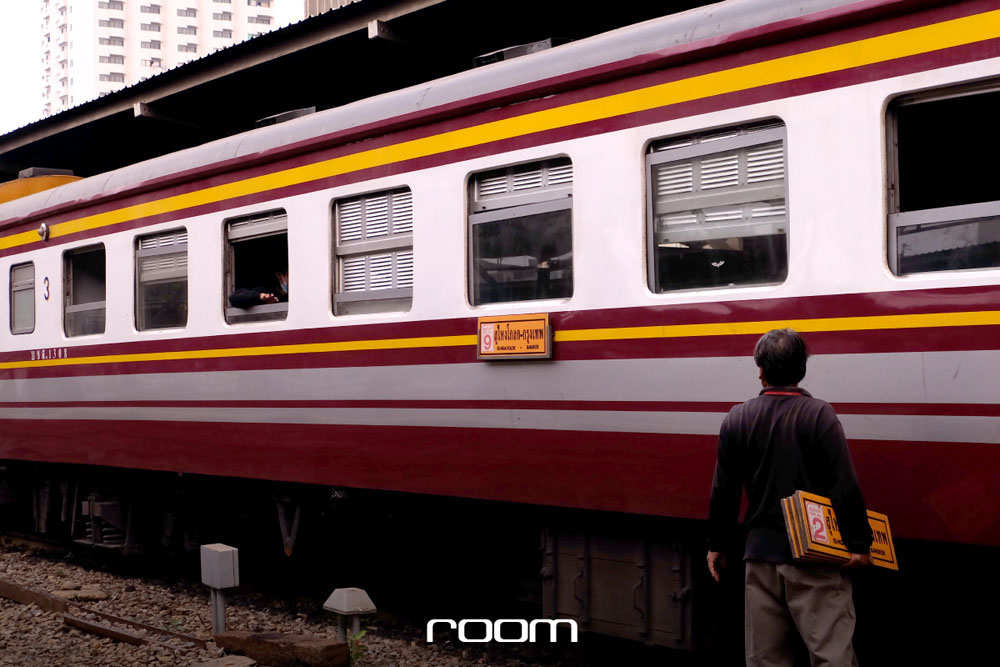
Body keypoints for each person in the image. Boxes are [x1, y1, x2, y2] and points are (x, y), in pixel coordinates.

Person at [707, 328, 873, 667]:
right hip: (814, 556)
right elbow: (844, 484)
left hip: (760, 559)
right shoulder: (819, 415)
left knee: (766, 660)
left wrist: (718, 544)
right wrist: (858, 545)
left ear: (760, 371)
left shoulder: (737, 418)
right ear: (802, 369)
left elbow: (724, 490)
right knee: (831, 656)